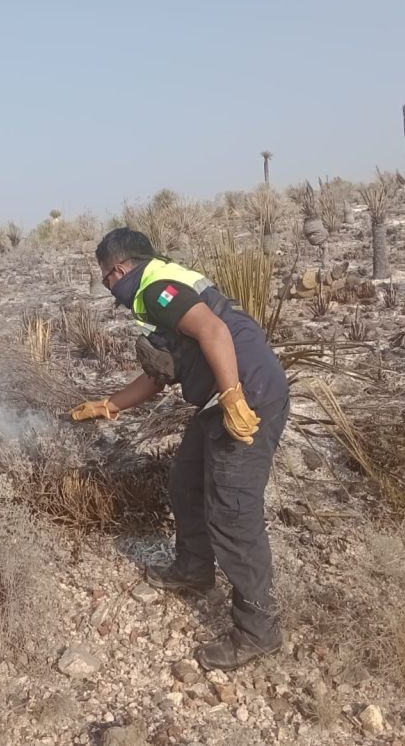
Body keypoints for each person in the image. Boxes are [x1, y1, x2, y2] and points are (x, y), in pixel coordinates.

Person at [70, 227, 290, 671]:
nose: (107, 286)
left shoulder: (156, 288)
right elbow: (159, 375)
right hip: (220, 398)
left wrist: (232, 396)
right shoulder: (159, 292)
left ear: (119, 269)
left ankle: (258, 631)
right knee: (185, 481)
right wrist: (108, 406)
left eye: (105, 277)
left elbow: (212, 330)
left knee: (233, 513)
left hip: (246, 394)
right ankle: (193, 567)